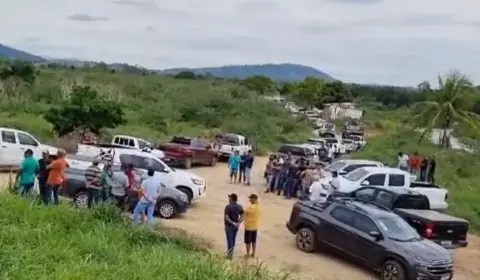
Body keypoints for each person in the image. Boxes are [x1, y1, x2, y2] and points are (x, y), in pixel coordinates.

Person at [224, 193, 244, 259]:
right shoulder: (239, 206)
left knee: (229, 240)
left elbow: (227, 218)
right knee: (233, 240)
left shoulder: (228, 207)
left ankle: (230, 256)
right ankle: (231, 253)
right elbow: (243, 216)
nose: (229, 199)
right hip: (236, 226)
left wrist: (233, 223)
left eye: (229, 198)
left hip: (229, 226)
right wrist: (238, 223)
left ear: (232, 199)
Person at [244, 194, 260, 258]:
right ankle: (253, 253)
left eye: (250, 198)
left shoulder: (250, 208)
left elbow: (244, 214)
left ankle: (247, 254)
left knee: (248, 241)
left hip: (249, 227)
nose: (249, 200)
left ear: (254, 199)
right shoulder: (259, 207)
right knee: (254, 241)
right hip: (255, 227)